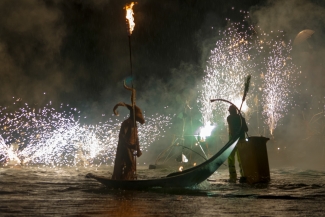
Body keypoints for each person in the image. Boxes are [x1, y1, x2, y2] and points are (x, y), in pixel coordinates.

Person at [111, 102, 145, 180]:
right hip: (125, 147)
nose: (140, 115)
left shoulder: (134, 124)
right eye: (139, 113)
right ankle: (124, 179)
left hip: (131, 147)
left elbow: (136, 138)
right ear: (134, 114)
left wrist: (138, 149)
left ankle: (128, 178)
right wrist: (130, 145)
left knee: (131, 166)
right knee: (130, 164)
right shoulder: (127, 123)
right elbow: (122, 136)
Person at [227, 104, 248, 183]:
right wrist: (241, 120)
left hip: (233, 141)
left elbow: (232, 130)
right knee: (241, 158)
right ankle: (243, 174)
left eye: (230, 111)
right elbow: (246, 129)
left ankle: (233, 176)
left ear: (231, 111)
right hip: (241, 140)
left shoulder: (230, 118)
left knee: (231, 158)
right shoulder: (241, 118)